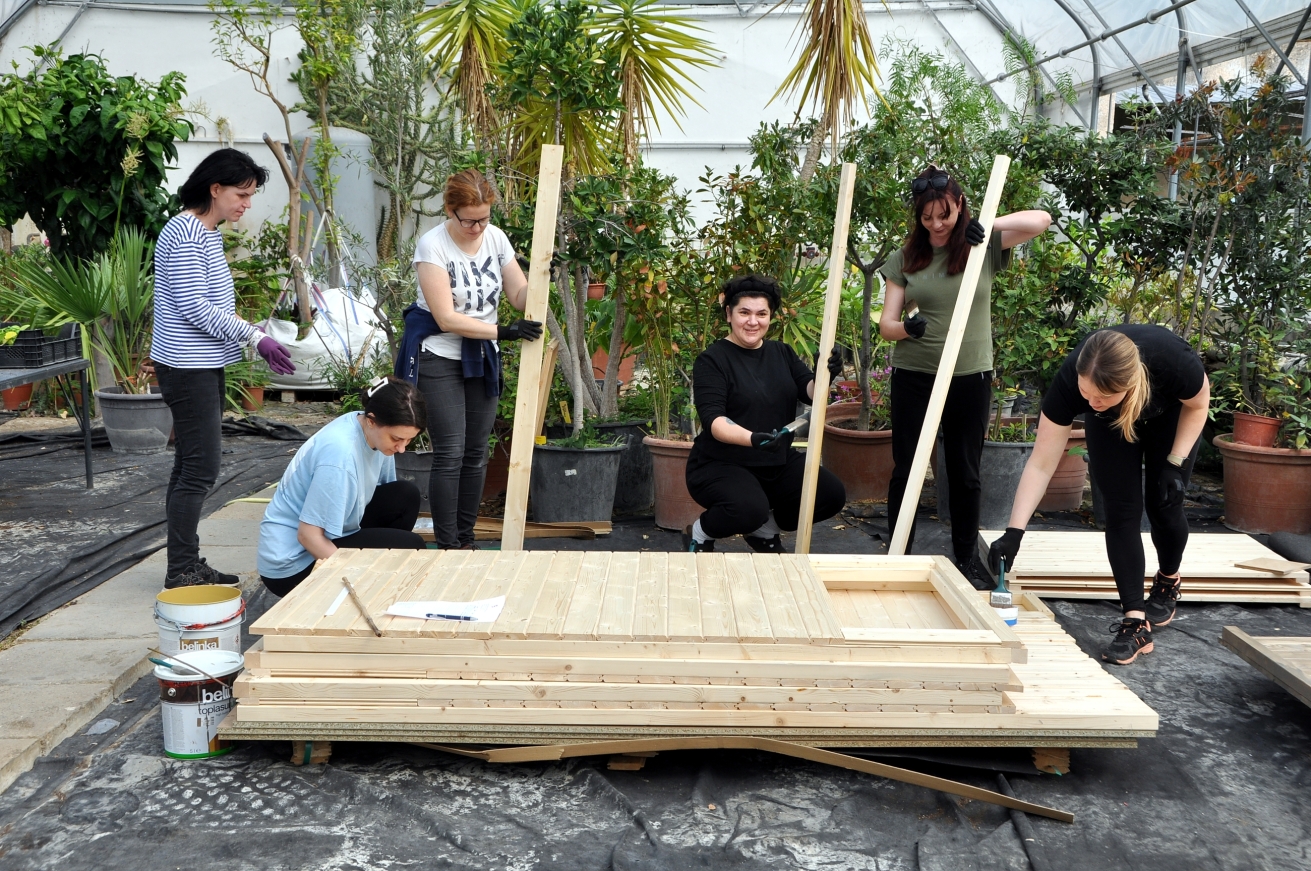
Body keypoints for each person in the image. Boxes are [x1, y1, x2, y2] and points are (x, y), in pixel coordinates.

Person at [988, 326, 1210, 666]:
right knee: (1120, 510)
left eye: (1101, 396)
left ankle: (1168, 579)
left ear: (1128, 384)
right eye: (1086, 393)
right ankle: (1135, 622)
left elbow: (1198, 403)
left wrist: (1174, 463)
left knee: (1164, 505)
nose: (1091, 402)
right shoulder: (1073, 383)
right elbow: (1042, 464)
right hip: (1110, 424)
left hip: (1171, 417)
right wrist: (1014, 532)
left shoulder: (1171, 361)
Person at [879, 164, 1051, 587]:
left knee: (965, 469)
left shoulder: (981, 245)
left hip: (969, 374)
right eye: (926, 217)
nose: (936, 225)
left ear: (959, 205)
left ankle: (966, 558)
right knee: (907, 468)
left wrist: (987, 223)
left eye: (944, 215)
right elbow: (886, 325)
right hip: (915, 374)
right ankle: (897, 554)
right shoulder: (905, 257)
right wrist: (907, 329)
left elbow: (1042, 220)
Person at [152, 148, 296, 589]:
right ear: (215, 189)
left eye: (250, 196)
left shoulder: (207, 232)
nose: (246, 204)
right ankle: (182, 569)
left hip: (201, 363)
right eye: (242, 194)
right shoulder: (186, 233)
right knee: (200, 469)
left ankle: (184, 563)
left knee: (189, 466)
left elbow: (211, 303)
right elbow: (195, 307)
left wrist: (253, 333)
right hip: (186, 366)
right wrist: (255, 337)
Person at [396, 169, 542, 550]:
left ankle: (466, 539)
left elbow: (519, 296)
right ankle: (448, 545)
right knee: (451, 452)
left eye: (484, 219)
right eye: (469, 221)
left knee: (477, 453)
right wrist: (503, 332)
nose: (477, 228)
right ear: (450, 210)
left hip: (480, 356)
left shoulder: (496, 239)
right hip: (439, 356)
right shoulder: (433, 246)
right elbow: (446, 318)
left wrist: (542, 274)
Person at [682, 274, 846, 553]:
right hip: (721, 463)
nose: (753, 321)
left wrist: (825, 373)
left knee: (830, 493)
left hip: (775, 460)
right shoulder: (712, 360)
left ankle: (764, 531)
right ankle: (701, 531)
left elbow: (810, 393)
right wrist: (753, 439)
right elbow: (715, 421)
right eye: (744, 312)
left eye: (761, 314)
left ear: (771, 317)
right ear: (729, 314)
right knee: (748, 509)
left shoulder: (781, 352)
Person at [258, 376, 429, 597]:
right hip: (293, 563)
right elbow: (308, 536)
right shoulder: (340, 457)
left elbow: (385, 494)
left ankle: (377, 577)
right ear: (372, 420)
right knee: (410, 546)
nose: (402, 448)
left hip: (330, 530)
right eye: (397, 439)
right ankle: (366, 590)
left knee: (404, 495)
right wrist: (353, 578)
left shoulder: (369, 429)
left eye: (408, 440)